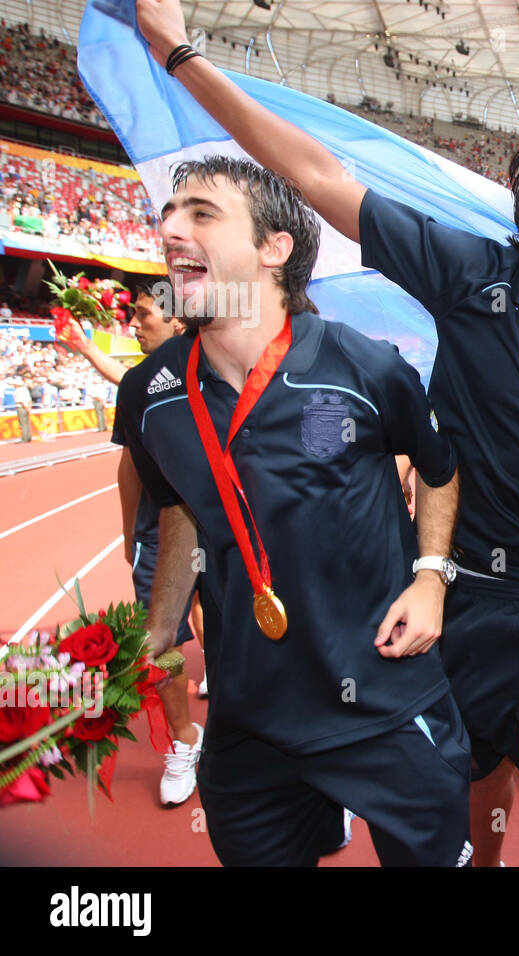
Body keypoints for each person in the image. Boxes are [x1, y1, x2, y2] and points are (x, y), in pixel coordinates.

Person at [137, 0, 519, 866]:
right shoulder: (467, 272)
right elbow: (316, 177)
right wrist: (181, 54)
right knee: (472, 777)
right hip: (470, 591)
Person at [113, 156, 469, 866]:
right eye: (169, 214)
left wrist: (431, 577)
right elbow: (183, 503)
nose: (172, 229)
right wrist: (158, 627)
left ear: (274, 249)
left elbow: (438, 467)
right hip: (251, 719)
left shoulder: (363, 365)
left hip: (386, 698)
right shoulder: (149, 392)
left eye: (202, 214)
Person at [64, 283, 211, 806]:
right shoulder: (141, 384)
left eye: (144, 314)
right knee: (162, 644)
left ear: (177, 323)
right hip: (161, 533)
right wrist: (131, 535)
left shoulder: (225, 371)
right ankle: (184, 741)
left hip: (227, 531)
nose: (135, 322)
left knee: (231, 621)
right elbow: (128, 464)